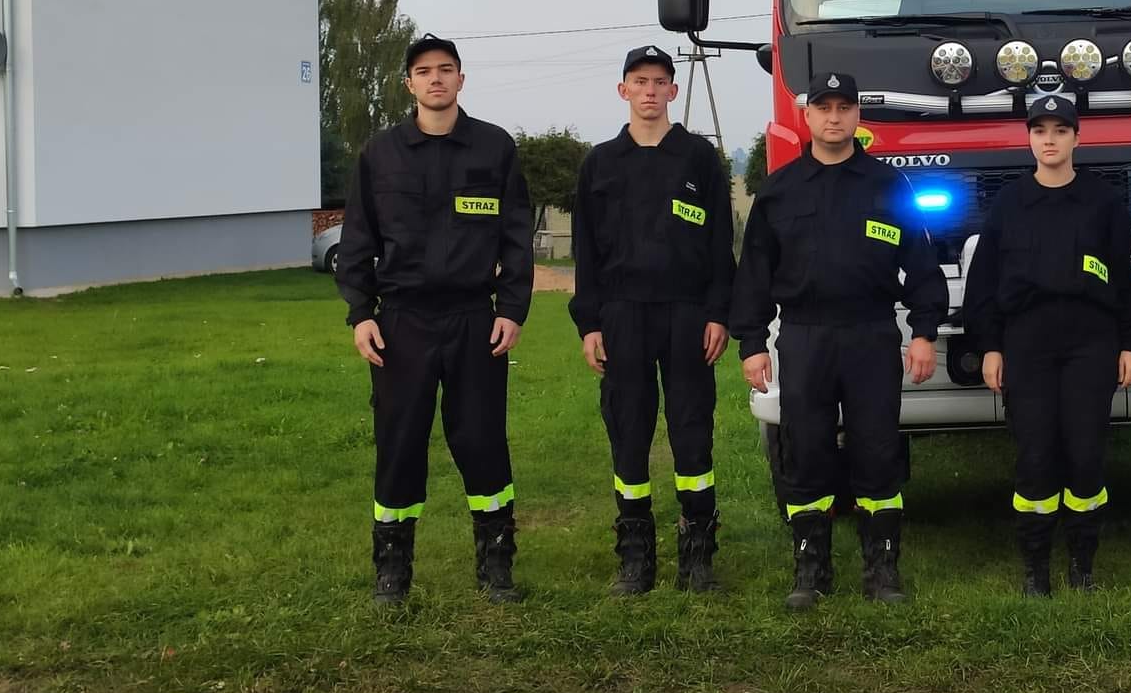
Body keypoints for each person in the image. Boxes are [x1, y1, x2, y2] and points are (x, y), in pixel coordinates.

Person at [728, 72, 948, 610]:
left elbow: (922, 267)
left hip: (871, 332)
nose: (834, 117)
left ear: (856, 116)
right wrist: (752, 343)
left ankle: (882, 568)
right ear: (807, 116)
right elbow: (754, 274)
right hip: (804, 337)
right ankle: (811, 568)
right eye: (823, 108)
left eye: (843, 107)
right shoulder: (780, 190)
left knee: (878, 448)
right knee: (806, 450)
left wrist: (923, 332)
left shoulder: (888, 186)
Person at [337, 35, 533, 606]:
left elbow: (516, 238)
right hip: (402, 324)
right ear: (409, 84)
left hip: (475, 321)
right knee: (399, 443)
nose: (436, 79)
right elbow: (357, 240)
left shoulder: (494, 148)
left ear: (461, 79)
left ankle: (496, 565)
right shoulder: (380, 154)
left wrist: (511, 310)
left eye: (446, 69)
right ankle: (392, 572)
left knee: (482, 440)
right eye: (424, 72)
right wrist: (360, 314)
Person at [965, 93, 1131, 595]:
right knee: (1035, 454)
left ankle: (1082, 565)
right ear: (1028, 138)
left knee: (1085, 452)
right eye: (1039, 131)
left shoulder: (1102, 202)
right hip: (1027, 342)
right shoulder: (1010, 203)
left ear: (1077, 138)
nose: (1049, 140)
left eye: (1060, 131)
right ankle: (1036, 569)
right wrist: (990, 346)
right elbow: (983, 283)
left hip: (1090, 341)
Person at [570, 45, 735, 595]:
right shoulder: (600, 163)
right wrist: (590, 324)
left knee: (692, 431)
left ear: (673, 91)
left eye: (659, 81)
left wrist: (718, 313)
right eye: (639, 81)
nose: (649, 90)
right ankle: (635, 557)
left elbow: (719, 243)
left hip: (687, 314)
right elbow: (585, 251)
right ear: (623, 90)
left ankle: (698, 556)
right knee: (629, 431)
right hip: (622, 315)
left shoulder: (698, 158)